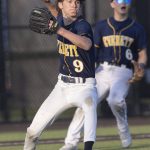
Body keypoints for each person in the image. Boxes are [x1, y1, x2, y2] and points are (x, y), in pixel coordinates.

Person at [59, 0, 148, 149]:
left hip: (123, 71)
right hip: (102, 70)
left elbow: (143, 54)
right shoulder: (102, 26)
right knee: (85, 103)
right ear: (112, 4)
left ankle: (124, 131)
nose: (123, 2)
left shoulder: (137, 28)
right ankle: (70, 143)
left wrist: (141, 66)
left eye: (127, 0)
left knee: (115, 100)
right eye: (119, 0)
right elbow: (91, 52)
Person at [23, 0, 98, 150]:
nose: (74, 5)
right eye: (69, 1)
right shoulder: (60, 20)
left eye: (77, 2)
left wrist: (60, 30)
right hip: (62, 87)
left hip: (84, 86)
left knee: (89, 106)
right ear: (61, 5)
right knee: (32, 133)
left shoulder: (82, 25)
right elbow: (54, 11)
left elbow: (86, 44)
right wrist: (48, 3)